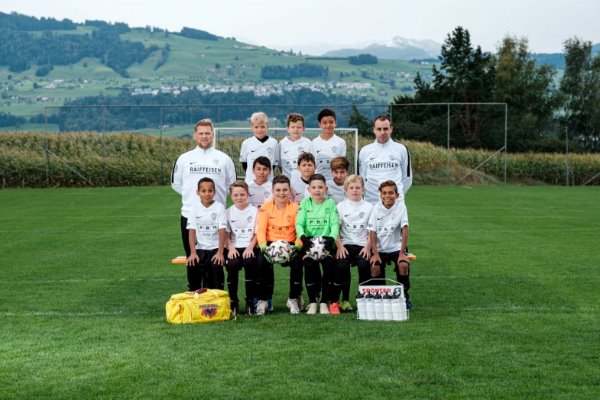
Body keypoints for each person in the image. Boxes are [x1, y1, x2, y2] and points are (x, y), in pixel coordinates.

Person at [171, 118, 236, 257]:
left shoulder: (224, 159)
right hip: (190, 216)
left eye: (207, 133)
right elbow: (177, 184)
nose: (204, 136)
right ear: (195, 135)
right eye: (201, 133)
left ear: (213, 135)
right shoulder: (184, 158)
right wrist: (193, 198)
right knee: (193, 260)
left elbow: (231, 185)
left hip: (217, 218)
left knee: (215, 263)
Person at [255, 175, 304, 315]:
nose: (281, 193)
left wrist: (297, 246)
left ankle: (293, 298)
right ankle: (263, 300)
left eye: (284, 190)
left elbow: (300, 229)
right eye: (278, 190)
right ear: (272, 191)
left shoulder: (296, 208)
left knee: (298, 263)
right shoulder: (265, 208)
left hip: (290, 244)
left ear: (290, 191)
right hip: (270, 244)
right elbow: (261, 230)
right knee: (260, 262)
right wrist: (264, 247)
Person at [296, 174, 339, 314]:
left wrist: (332, 238)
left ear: (326, 188)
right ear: (308, 189)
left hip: (326, 243)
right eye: (314, 187)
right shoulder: (305, 203)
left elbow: (334, 224)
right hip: (309, 244)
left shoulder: (330, 203)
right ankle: (313, 301)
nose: (317, 190)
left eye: (320, 187)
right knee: (308, 266)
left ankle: (325, 301)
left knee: (328, 266)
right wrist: (303, 237)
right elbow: (299, 224)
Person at [368, 180, 412, 309]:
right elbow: (372, 232)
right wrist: (375, 254)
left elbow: (405, 230)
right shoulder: (376, 208)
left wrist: (402, 253)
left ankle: (404, 297)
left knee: (403, 265)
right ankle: (381, 297)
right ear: (380, 195)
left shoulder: (401, 207)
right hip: (380, 248)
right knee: (375, 267)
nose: (388, 196)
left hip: (396, 247)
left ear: (397, 195)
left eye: (391, 193)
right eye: (385, 193)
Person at [334, 175, 373, 312]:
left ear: (363, 190)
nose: (355, 190)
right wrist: (339, 246)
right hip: (345, 244)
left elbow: (372, 231)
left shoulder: (369, 207)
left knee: (364, 265)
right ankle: (344, 300)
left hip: (363, 245)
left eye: (358, 187)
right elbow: (335, 230)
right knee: (342, 265)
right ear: (346, 190)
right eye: (351, 188)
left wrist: (368, 246)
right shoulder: (340, 206)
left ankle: (363, 297)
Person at [358, 114, 412, 205]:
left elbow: (407, 178)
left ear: (391, 129)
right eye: (379, 129)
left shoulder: (401, 149)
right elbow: (361, 178)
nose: (382, 132)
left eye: (386, 129)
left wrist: (394, 194)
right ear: (374, 130)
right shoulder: (365, 151)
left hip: (396, 202)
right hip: (371, 201)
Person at [186, 177, 227, 291]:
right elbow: (192, 231)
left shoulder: (219, 207)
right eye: (203, 191)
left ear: (214, 192)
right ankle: (194, 294)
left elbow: (222, 231)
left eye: (210, 190)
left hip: (215, 248)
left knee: (216, 265)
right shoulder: (194, 209)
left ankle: (219, 295)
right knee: (192, 264)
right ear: (198, 192)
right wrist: (193, 252)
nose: (207, 194)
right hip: (200, 249)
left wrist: (220, 252)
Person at [225, 180, 258, 316]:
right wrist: (231, 248)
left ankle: (250, 302)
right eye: (236, 195)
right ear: (231, 196)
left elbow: (257, 234)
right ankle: (234, 302)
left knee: (250, 263)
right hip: (234, 246)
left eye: (242, 194)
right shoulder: (227, 212)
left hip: (249, 246)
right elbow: (225, 235)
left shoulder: (255, 211)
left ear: (248, 194)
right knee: (232, 265)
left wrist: (250, 247)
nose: (239, 198)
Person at [240, 111, 279, 183]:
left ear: (267, 126)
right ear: (252, 127)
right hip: (250, 182)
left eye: (262, 127)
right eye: (256, 127)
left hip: (268, 182)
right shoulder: (246, 143)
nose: (259, 130)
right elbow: (244, 163)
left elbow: (274, 164)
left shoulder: (274, 143)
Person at [312, 108, 346, 181]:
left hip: (335, 181)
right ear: (320, 124)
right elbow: (312, 165)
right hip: (318, 181)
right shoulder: (314, 143)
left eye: (331, 122)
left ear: (335, 123)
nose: (328, 125)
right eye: (324, 123)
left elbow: (342, 165)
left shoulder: (341, 142)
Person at [279, 113, 313, 179]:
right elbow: (280, 165)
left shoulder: (308, 143)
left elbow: (312, 165)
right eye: (293, 127)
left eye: (299, 127)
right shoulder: (282, 143)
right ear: (288, 129)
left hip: (304, 183)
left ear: (303, 129)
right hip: (287, 182)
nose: (296, 129)